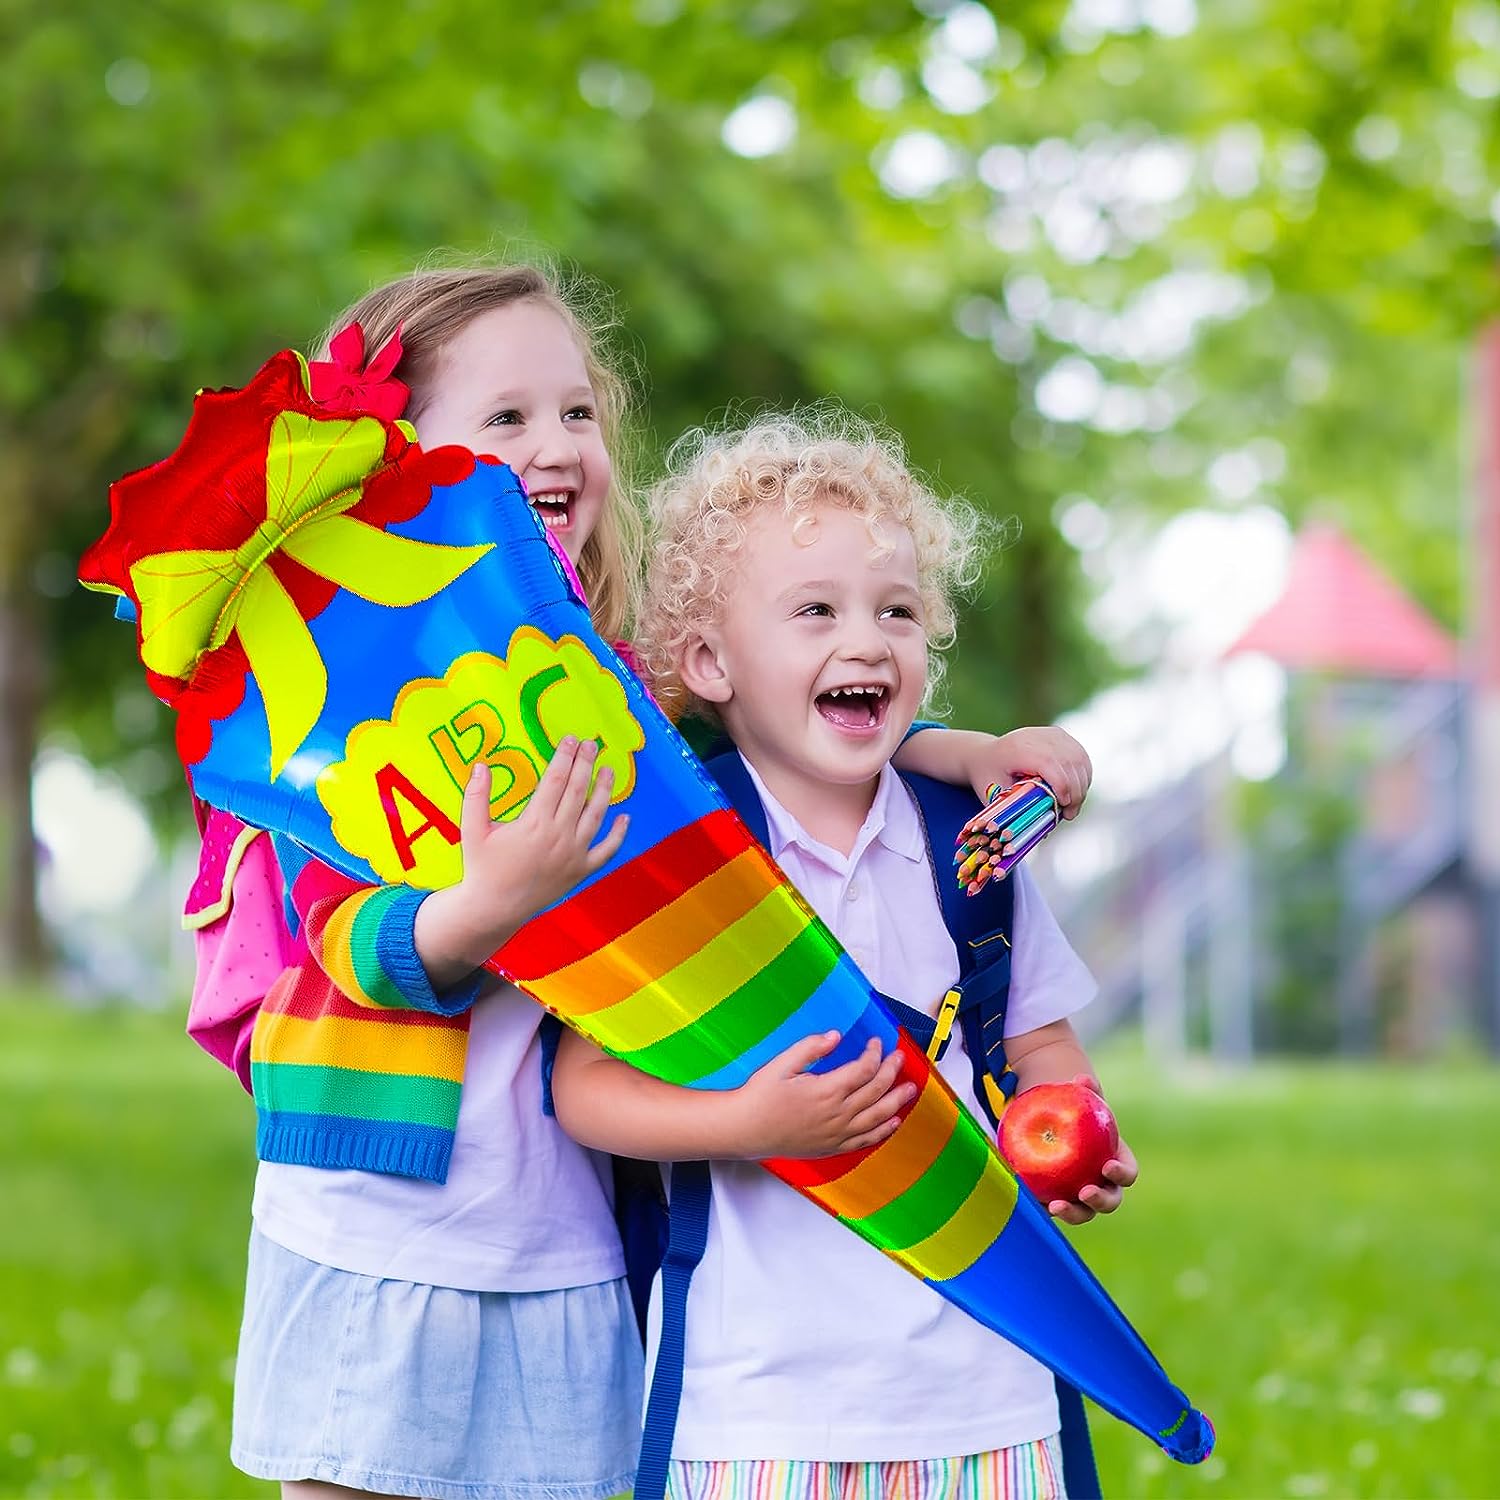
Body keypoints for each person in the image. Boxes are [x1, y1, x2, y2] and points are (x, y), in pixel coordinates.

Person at [178, 262, 1092, 1500]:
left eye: (576, 414)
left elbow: (777, 731)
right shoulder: (336, 695)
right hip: (387, 1214)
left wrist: (965, 754)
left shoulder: (596, 668)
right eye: (505, 420)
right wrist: (484, 903)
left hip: (566, 1227)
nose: (555, 446)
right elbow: (340, 940)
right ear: (393, 458)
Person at [550, 413, 1137, 1500]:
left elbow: (1043, 1045)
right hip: (760, 1413)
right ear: (710, 663)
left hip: (990, 1393)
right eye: (815, 611)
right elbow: (580, 1086)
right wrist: (747, 1126)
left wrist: (1075, 1134)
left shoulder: (972, 849)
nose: (866, 642)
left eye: (898, 612)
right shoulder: (684, 864)